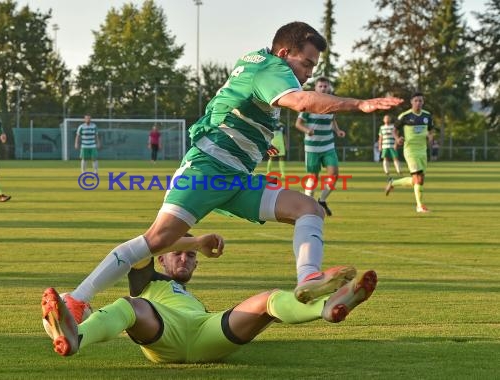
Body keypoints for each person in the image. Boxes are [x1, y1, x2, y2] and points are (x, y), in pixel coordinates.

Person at [54, 21, 401, 323]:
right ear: (285, 52)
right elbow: (304, 102)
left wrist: (254, 142)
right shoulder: (272, 69)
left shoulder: (260, 62)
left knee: (308, 209)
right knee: (156, 241)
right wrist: (360, 104)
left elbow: (232, 103)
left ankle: (308, 279)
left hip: (235, 178)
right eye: (306, 63)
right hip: (207, 170)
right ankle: (78, 298)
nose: (309, 73)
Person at [42, 233, 378, 361]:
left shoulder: (192, 297)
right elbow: (145, 246)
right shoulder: (145, 278)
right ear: (163, 259)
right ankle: (75, 335)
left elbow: (253, 319)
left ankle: (326, 307)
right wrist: (194, 240)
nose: (184, 259)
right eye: (179, 254)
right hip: (162, 333)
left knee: (267, 299)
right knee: (128, 306)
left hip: (205, 331)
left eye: (190, 257)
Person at [295, 77, 345, 217]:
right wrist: (307, 130)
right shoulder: (308, 105)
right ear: (316, 88)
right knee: (313, 178)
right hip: (312, 148)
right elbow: (298, 124)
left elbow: (332, 119)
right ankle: (307, 206)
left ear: (329, 88)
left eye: (325, 86)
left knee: (334, 174)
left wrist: (338, 131)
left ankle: (322, 200)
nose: (323, 88)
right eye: (320, 86)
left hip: (328, 145)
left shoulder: (331, 104)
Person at [385, 92, 434, 213]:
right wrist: (397, 139)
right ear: (411, 102)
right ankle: (419, 206)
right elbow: (394, 130)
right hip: (410, 150)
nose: (418, 103)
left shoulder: (427, 116)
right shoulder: (405, 116)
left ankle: (393, 183)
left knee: (418, 180)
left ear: (423, 102)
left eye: (420, 101)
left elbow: (431, 131)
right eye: (416, 100)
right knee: (417, 177)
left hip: (422, 150)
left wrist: (431, 137)